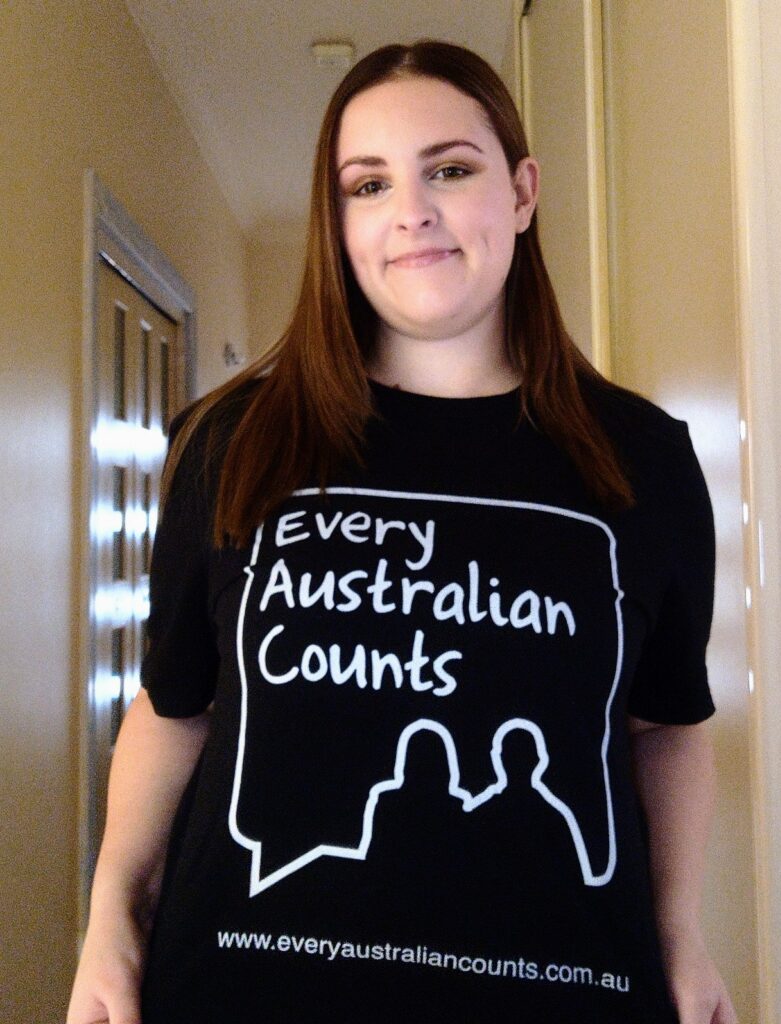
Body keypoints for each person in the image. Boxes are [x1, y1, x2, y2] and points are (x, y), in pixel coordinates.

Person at [67, 39, 737, 1024]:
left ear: (520, 191)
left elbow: (662, 731)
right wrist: (109, 922)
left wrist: (678, 931)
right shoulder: (232, 443)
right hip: (249, 986)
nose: (409, 211)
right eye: (366, 183)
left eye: (450, 170)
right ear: (335, 224)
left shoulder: (638, 458)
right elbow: (175, 708)